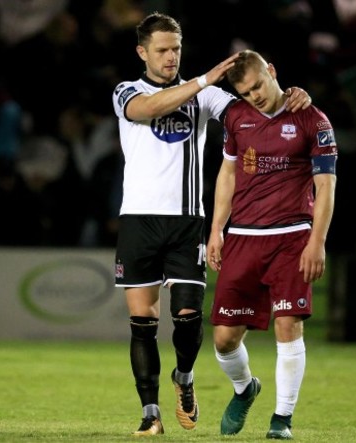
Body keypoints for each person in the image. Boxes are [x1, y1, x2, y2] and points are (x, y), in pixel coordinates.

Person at [111, 13, 313, 437]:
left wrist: (292, 96)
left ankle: (184, 379)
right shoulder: (128, 91)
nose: (170, 57)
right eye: (162, 50)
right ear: (142, 52)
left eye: (176, 49)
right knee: (142, 322)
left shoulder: (206, 98)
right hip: (138, 221)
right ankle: (150, 414)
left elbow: (255, 111)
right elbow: (148, 109)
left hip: (188, 223)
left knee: (187, 318)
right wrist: (203, 80)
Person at [207, 49, 338, 440]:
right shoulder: (235, 118)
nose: (256, 96)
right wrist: (216, 229)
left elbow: (326, 185)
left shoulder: (312, 119)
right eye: (246, 93)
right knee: (224, 339)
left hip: (292, 237)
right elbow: (228, 174)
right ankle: (245, 388)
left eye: (259, 86)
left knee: (288, 326)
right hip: (244, 237)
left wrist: (317, 241)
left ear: (273, 72)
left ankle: (282, 419)